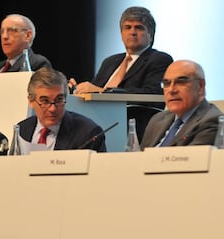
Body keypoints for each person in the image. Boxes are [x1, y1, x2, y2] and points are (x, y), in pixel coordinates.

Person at [70, 6, 173, 141]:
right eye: (127, 27)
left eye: (139, 27)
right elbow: (93, 91)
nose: (133, 32)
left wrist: (103, 91)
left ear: (151, 34)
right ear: (121, 33)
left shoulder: (159, 59)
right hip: (96, 123)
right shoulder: (110, 61)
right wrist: (76, 89)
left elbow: (153, 93)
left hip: (131, 127)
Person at [17, 67, 106, 152]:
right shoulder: (21, 129)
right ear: (31, 101)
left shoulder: (89, 133)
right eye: (45, 101)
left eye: (59, 100)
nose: (52, 109)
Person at [140, 60, 224, 148]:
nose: (171, 90)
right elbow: (139, 158)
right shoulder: (157, 119)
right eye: (166, 83)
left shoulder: (212, 121)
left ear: (200, 86)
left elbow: (189, 160)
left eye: (181, 82)